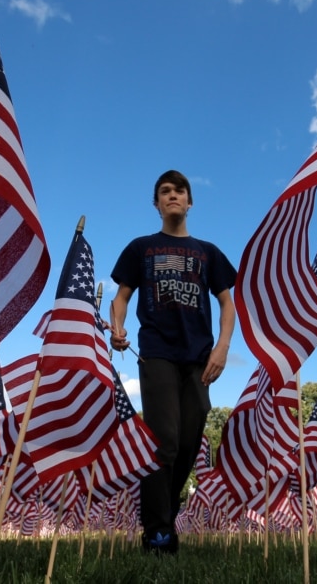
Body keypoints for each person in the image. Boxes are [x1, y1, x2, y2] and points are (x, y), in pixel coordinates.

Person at [109, 170, 236, 555]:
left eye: (179, 191)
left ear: (190, 201)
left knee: (188, 442)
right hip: (156, 353)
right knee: (162, 439)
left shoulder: (208, 252)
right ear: (157, 204)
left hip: (200, 359)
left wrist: (223, 347)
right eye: (165, 192)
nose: (173, 196)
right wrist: (117, 327)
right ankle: (157, 533)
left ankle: (166, 507)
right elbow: (121, 297)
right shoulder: (140, 247)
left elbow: (228, 303)